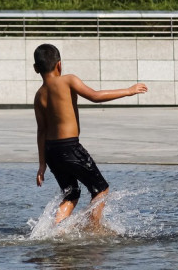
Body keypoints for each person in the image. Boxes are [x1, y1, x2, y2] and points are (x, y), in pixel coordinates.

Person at [32, 43, 147, 227]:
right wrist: (128, 91)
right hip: (70, 146)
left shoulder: (39, 95)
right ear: (59, 65)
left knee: (71, 195)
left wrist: (42, 164)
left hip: (51, 151)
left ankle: (55, 230)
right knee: (101, 190)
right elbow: (95, 96)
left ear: (36, 68)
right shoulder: (68, 80)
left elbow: (41, 130)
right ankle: (92, 229)